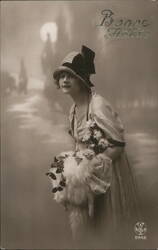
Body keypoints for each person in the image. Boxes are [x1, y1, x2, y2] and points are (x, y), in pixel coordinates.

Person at [50, 45, 140, 248]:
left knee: (106, 228)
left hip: (107, 173)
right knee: (83, 227)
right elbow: (79, 144)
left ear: (81, 80)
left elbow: (118, 145)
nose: (64, 80)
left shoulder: (97, 105)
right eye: (62, 76)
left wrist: (90, 167)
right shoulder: (73, 109)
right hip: (86, 173)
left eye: (70, 76)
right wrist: (73, 169)